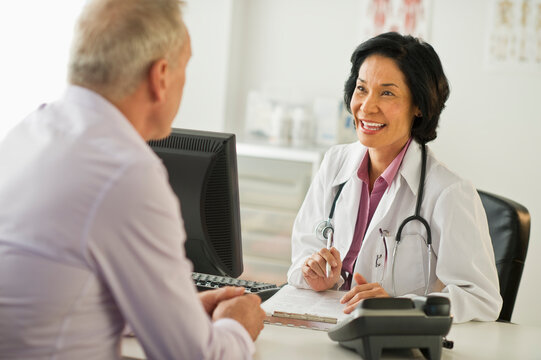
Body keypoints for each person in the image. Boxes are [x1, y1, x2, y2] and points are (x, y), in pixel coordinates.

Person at [0, 0, 265, 358]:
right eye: (185, 68)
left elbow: (54, 295)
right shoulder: (125, 172)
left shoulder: (30, 132)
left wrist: (171, 310)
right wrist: (238, 324)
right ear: (160, 77)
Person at [287, 32, 502, 323]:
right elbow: (303, 253)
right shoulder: (335, 163)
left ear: (419, 105)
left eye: (387, 93)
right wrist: (316, 274)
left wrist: (402, 307)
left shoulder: (449, 192)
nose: (367, 106)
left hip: (393, 343)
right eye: (362, 89)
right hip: (326, 326)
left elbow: (481, 298)